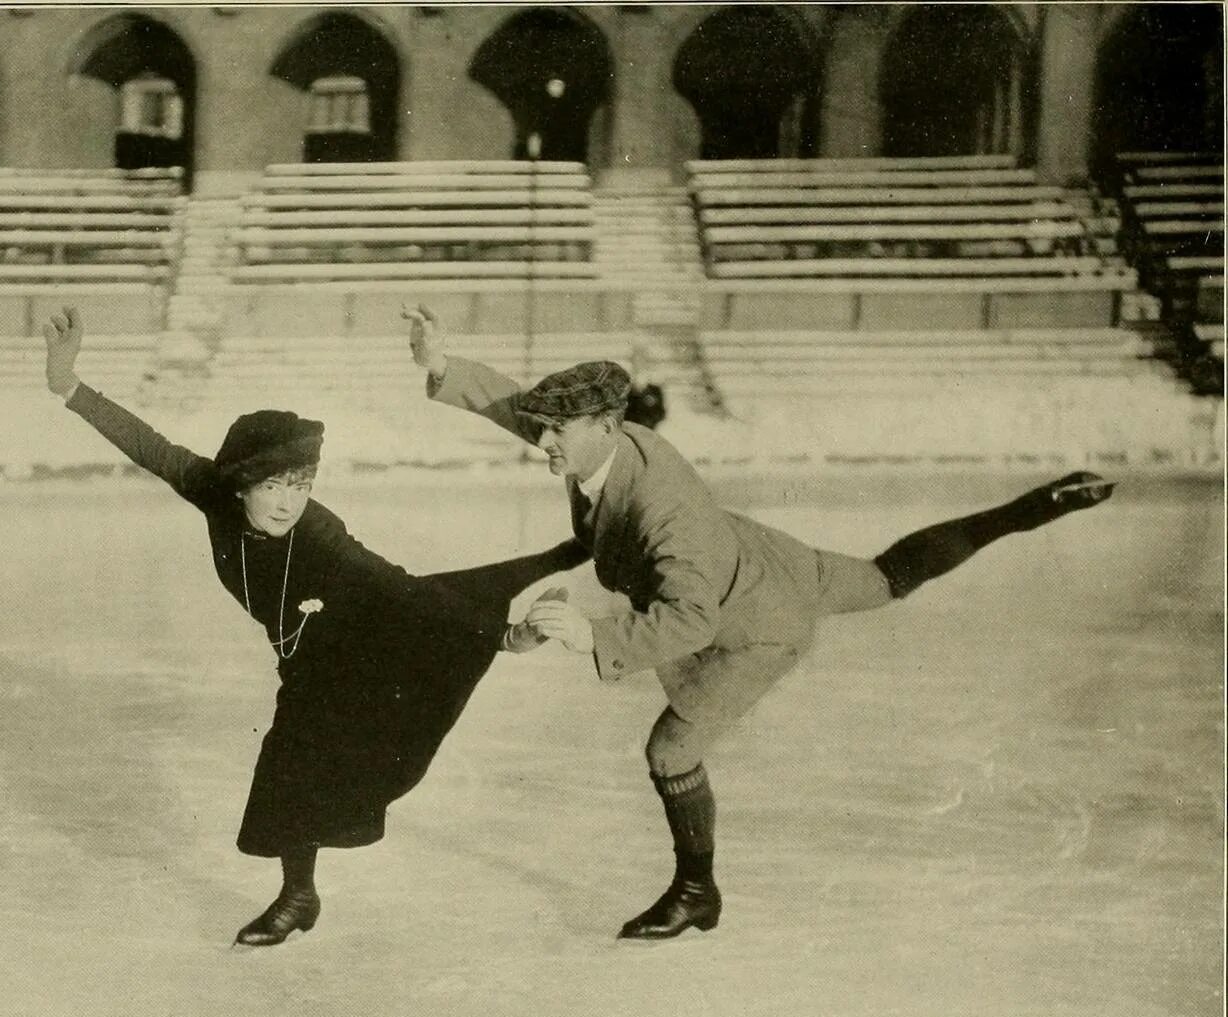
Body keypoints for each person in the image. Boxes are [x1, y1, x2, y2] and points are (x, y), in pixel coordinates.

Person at [404, 303, 1115, 941]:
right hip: (759, 556)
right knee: (885, 576)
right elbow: (518, 409)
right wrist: (441, 365)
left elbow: (687, 620)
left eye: (556, 429)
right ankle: (1035, 506)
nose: (543, 439)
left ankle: (695, 890)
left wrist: (595, 637)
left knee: (670, 753)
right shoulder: (601, 443)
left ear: (606, 427)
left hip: (751, 621)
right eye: (546, 426)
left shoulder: (663, 511)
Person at [43, 307, 584, 947]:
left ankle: (573, 550)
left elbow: (397, 587)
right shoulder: (211, 490)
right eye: (273, 484)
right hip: (304, 653)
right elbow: (146, 443)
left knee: (453, 600)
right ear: (241, 485)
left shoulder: (318, 531)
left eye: (300, 484)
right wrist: (67, 384)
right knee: (286, 766)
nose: (287, 501)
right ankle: (299, 895)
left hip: (368, 632)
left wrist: (502, 639)